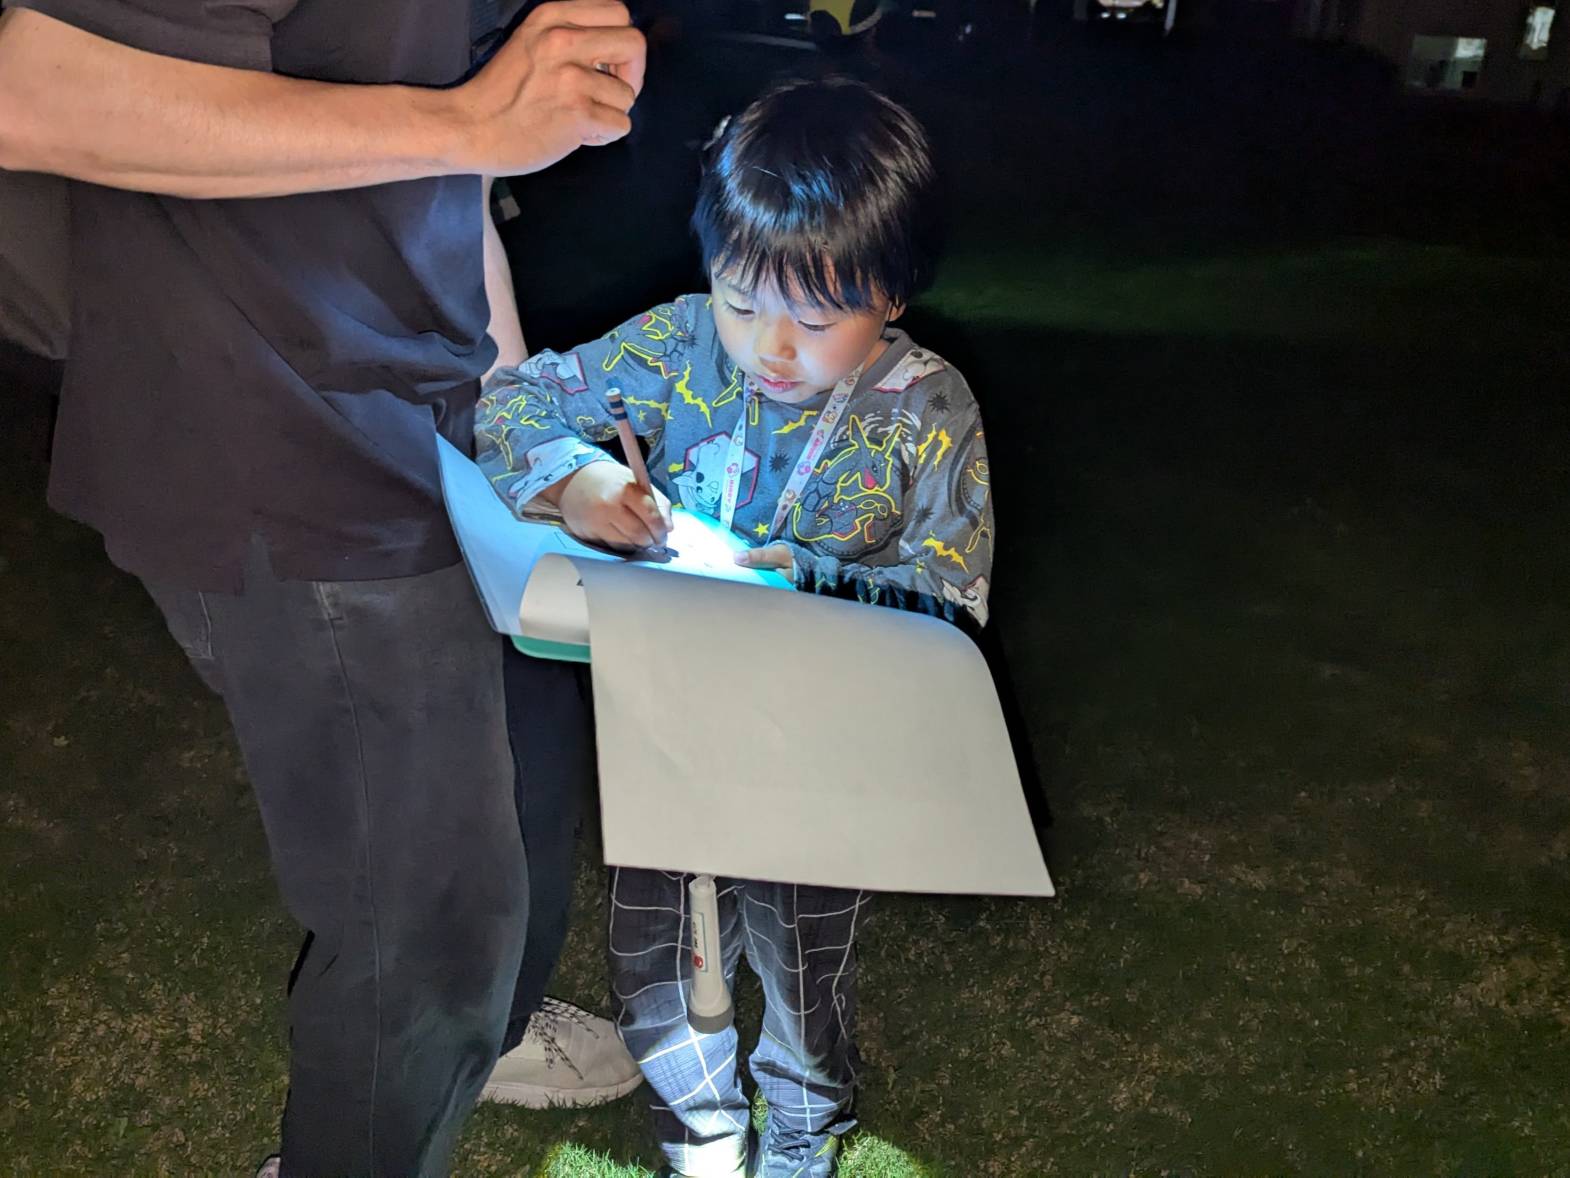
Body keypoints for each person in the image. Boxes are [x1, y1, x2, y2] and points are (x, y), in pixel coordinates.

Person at [0, 2, 650, 1174]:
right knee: (428, 917)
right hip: (269, 421)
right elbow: (33, 93)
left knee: (520, 749)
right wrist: (466, 121)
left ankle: (482, 1029)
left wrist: (531, 436)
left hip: (417, 407)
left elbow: (449, 184)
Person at [475, 77, 993, 1178]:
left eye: (817, 320)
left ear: (893, 293)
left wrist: (818, 582)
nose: (770, 346)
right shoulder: (676, 345)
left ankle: (803, 1132)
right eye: (740, 298)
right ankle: (701, 1132)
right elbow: (516, 399)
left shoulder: (928, 408)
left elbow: (954, 600)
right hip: (669, 727)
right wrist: (573, 480)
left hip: (821, 756)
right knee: (657, 953)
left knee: (801, 965)